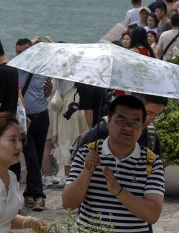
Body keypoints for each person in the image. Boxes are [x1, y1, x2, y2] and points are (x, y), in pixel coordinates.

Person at [62, 95, 165, 233]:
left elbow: (152, 215)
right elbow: (68, 204)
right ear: (109, 121)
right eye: (121, 120)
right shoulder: (86, 154)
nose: (128, 127)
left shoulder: (152, 162)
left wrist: (118, 191)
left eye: (135, 122)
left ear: (142, 126)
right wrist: (87, 172)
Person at [14, 38, 53, 212]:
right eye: (18, 52)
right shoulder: (13, 70)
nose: (21, 55)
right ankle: (39, 196)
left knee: (35, 158)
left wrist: (49, 88)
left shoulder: (42, 69)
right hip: (25, 121)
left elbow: (46, 94)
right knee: (30, 158)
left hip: (42, 117)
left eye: (25, 52)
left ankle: (29, 194)